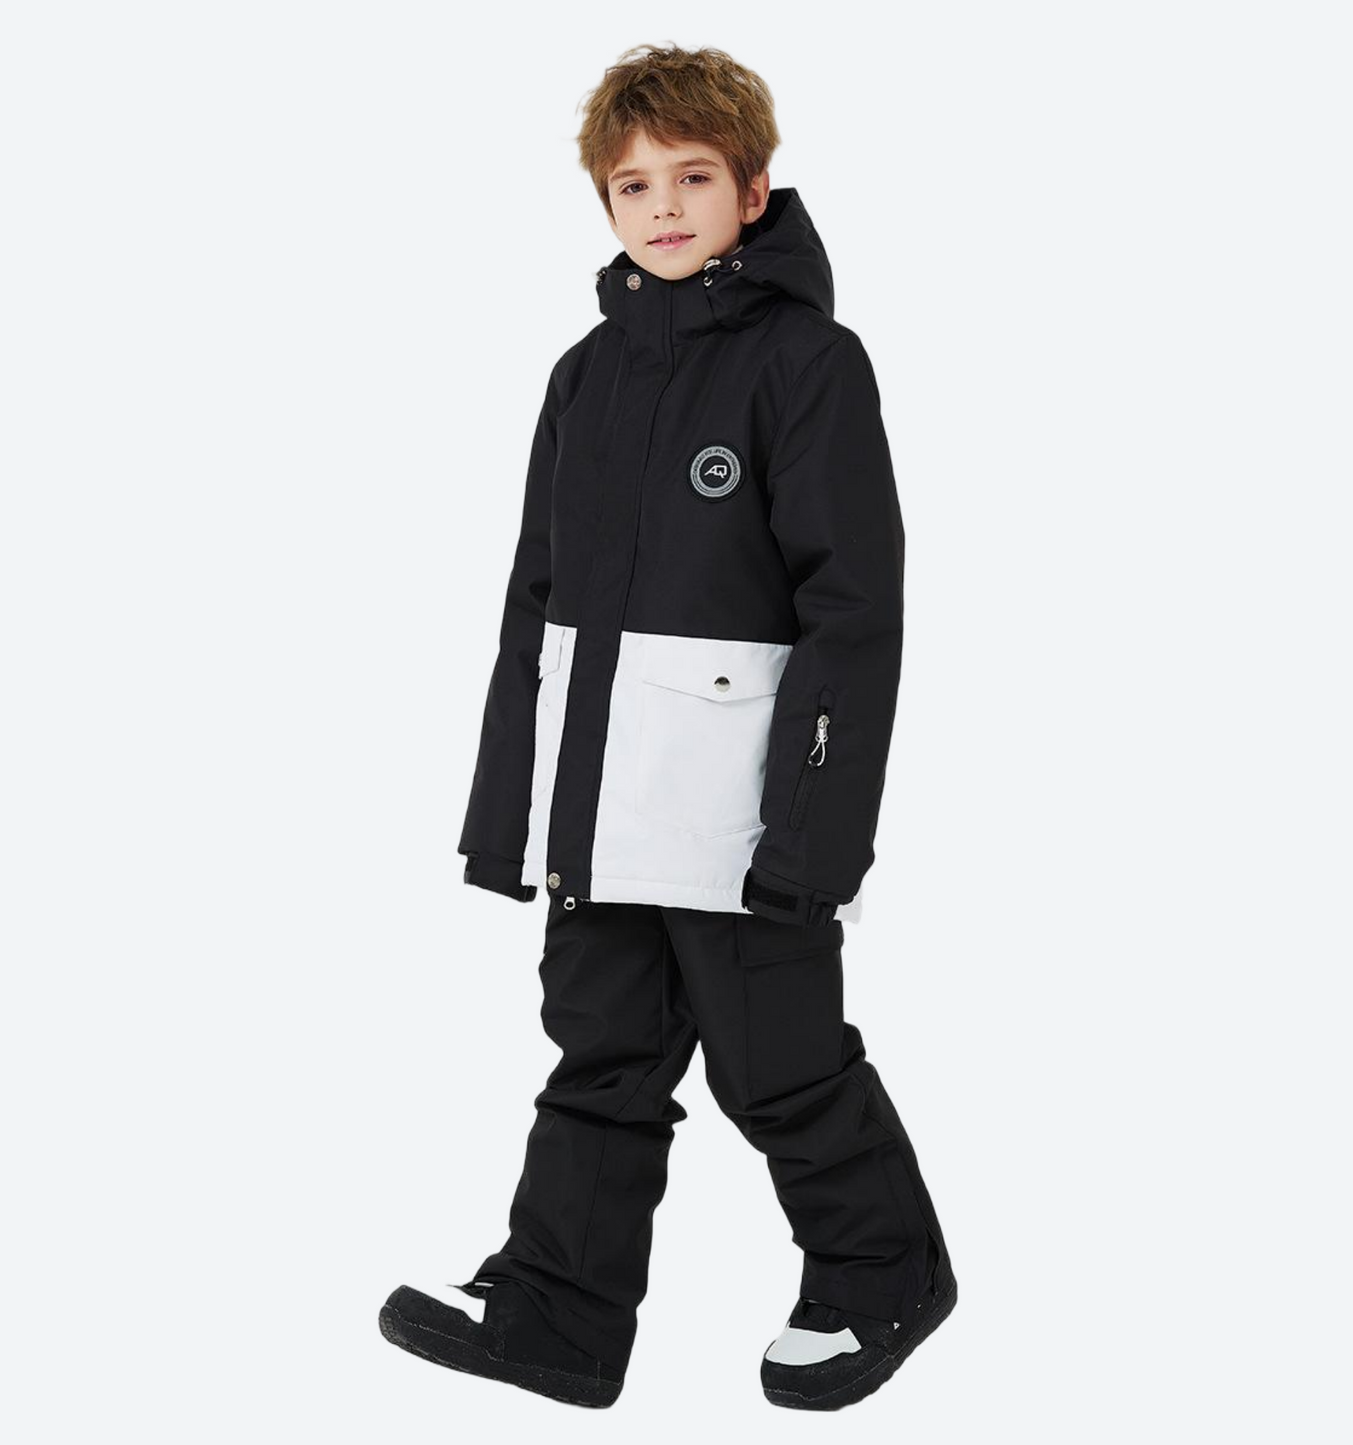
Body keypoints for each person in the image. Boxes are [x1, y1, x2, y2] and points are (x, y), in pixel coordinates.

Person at [379, 43, 956, 1411]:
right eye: (633, 185)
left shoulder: (809, 365)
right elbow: (535, 609)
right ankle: (558, 1312)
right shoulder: (584, 376)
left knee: (779, 1063)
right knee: (602, 1052)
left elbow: (853, 615)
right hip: (596, 811)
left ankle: (882, 1276)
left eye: (693, 177)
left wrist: (814, 838)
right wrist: (512, 817)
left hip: (741, 817)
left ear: (752, 191)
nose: (663, 207)